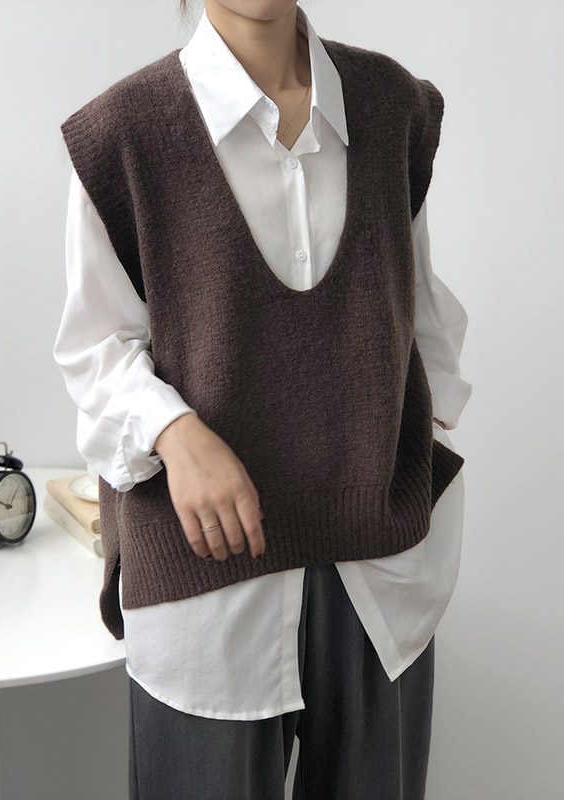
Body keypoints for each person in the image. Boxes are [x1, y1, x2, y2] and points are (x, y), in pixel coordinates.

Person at [54, 1, 472, 797]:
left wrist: (421, 439)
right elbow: (93, 349)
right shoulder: (124, 135)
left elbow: (418, 309)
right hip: (207, 591)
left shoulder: (391, 107)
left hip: (379, 577)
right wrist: (174, 431)